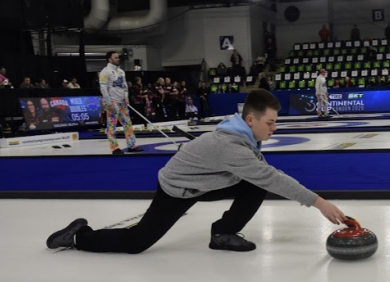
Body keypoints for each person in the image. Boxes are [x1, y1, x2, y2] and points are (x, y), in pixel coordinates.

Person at [45, 90, 347, 254]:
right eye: (270, 123)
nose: (274, 128)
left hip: (206, 181)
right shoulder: (232, 145)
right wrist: (319, 202)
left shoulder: (245, 134)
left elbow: (260, 174)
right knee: (137, 242)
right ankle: (78, 237)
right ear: (251, 119)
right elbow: (271, 177)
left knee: (254, 183)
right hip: (178, 187)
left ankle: (223, 235)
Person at [99, 51, 143, 155]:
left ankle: (132, 145)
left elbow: (125, 86)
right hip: (112, 102)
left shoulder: (121, 72)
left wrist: (126, 98)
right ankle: (114, 148)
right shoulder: (105, 72)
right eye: (115, 57)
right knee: (111, 126)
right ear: (109, 59)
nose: (118, 59)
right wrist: (108, 103)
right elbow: (103, 88)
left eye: (118, 57)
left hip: (122, 102)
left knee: (128, 124)